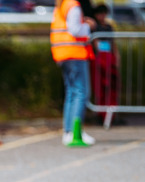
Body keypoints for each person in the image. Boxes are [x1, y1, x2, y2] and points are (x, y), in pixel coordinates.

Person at [50, 0, 97, 146]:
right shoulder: (73, 5)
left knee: (71, 93)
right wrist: (89, 26)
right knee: (80, 93)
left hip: (63, 54)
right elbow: (75, 30)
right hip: (75, 53)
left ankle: (69, 131)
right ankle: (76, 132)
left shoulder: (62, 4)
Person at [90, 4, 120, 123]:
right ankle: (100, 114)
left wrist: (117, 57)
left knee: (112, 87)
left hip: (109, 59)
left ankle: (111, 114)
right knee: (100, 88)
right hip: (99, 60)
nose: (102, 16)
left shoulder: (108, 27)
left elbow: (113, 44)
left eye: (104, 13)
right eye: (99, 13)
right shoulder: (94, 27)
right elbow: (95, 43)